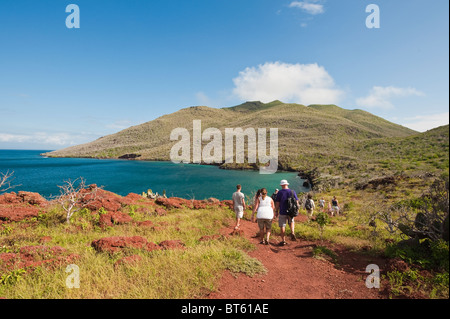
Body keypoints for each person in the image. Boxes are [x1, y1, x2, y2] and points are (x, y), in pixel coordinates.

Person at [275, 179, 299, 245]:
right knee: (291, 222)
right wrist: (297, 209)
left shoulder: (280, 192)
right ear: (287, 184)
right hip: (291, 211)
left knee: (282, 225)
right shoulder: (292, 191)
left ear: (282, 185)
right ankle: (292, 232)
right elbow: (296, 201)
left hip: (282, 211)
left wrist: (276, 211)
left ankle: (283, 240)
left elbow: (277, 203)